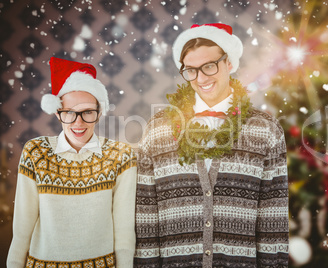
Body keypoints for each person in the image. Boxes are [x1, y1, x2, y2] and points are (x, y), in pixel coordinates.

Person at [134, 23, 289, 267]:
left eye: (209, 66)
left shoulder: (265, 128)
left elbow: (273, 218)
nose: (201, 78)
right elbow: (146, 217)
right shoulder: (158, 128)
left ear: (228, 63)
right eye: (191, 70)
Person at [7, 57, 137, 268]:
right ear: (59, 114)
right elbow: (21, 232)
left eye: (87, 112)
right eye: (70, 113)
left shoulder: (120, 156)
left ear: (99, 113)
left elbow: (124, 235)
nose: (78, 122)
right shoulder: (35, 152)